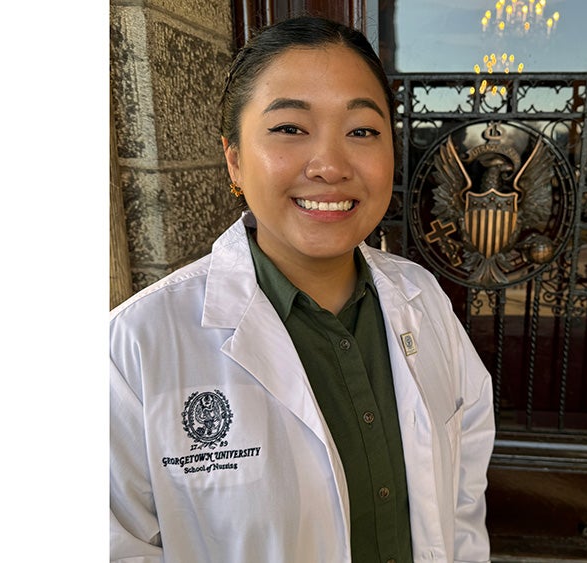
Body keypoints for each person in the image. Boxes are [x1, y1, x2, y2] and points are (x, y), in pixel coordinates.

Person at [110, 15, 496, 563]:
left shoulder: (422, 299)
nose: (331, 166)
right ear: (234, 159)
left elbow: (463, 492)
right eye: (290, 128)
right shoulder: (136, 345)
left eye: (362, 131)